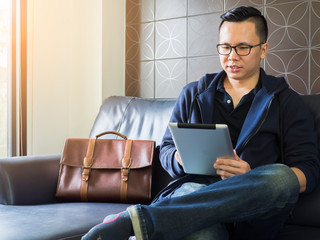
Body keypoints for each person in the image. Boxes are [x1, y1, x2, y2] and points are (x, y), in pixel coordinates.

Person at [82, 6, 319, 240]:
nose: (232, 56)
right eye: (225, 47)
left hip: (254, 216)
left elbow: (307, 172)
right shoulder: (192, 94)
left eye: (243, 48)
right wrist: (179, 159)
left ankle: (137, 221)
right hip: (195, 201)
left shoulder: (286, 102)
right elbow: (166, 149)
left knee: (281, 176)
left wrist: (250, 177)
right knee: (199, 228)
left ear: (263, 49)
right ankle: (151, 222)